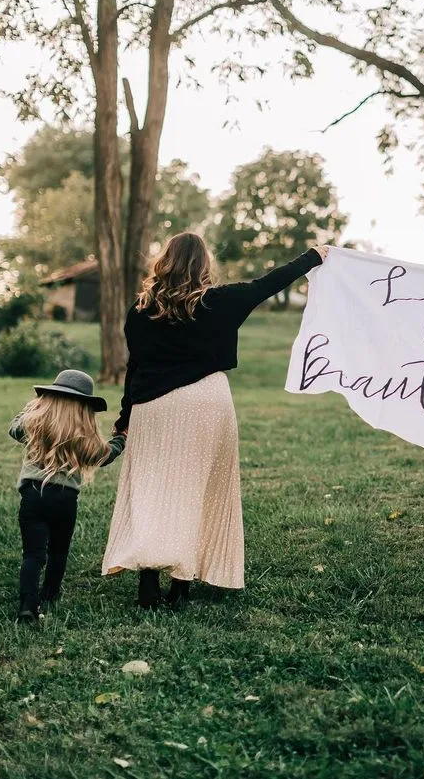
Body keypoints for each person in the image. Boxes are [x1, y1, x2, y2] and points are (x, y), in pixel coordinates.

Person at [102, 231, 328, 609]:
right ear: (203, 265)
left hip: (152, 407)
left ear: (165, 261)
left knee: (151, 490)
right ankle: (181, 585)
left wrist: (125, 418)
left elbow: (134, 368)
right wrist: (313, 256)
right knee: (198, 490)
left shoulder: (140, 310)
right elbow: (270, 282)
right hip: (206, 402)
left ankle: (147, 584)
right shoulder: (222, 301)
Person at [9, 370, 126, 624]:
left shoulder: (33, 424)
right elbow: (105, 456)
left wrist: (34, 407)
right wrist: (120, 439)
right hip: (64, 499)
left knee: (33, 554)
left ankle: (28, 604)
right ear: (85, 410)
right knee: (58, 551)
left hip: (33, 495)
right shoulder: (84, 437)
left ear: (47, 400)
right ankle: (50, 594)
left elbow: (13, 429)